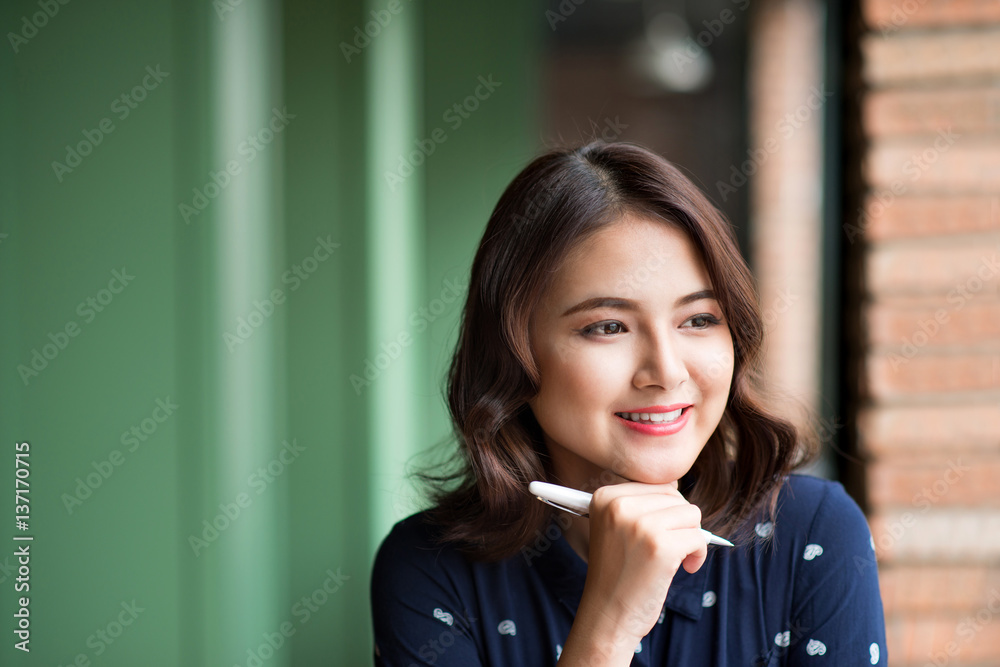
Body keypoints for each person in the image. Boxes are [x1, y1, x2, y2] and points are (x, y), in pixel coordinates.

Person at [369, 141, 887, 666]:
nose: (666, 371)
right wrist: (608, 628)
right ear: (512, 351)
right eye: (608, 327)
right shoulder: (429, 569)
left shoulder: (811, 534)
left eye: (698, 319)